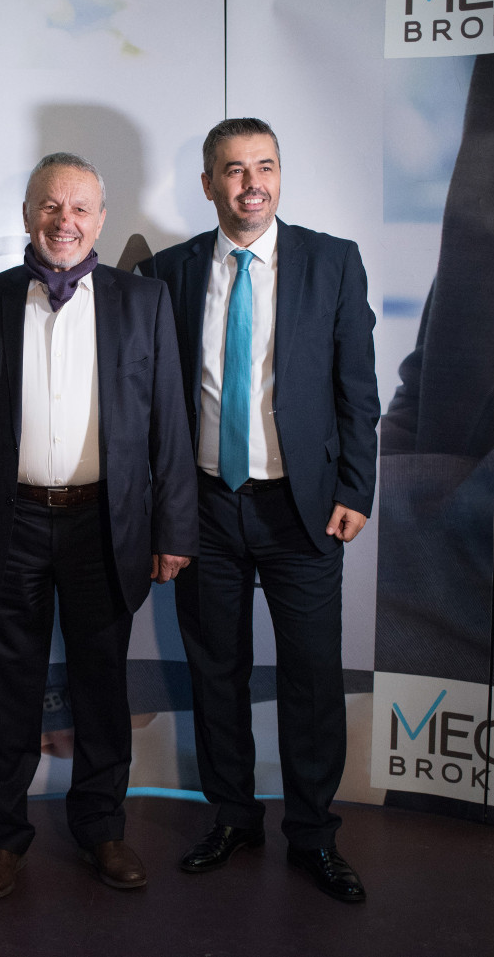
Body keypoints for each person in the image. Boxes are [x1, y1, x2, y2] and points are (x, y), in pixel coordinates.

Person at [0, 152, 197, 900]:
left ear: (101, 219)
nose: (65, 221)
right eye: (50, 206)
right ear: (27, 215)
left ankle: (102, 827)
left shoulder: (142, 301)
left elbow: (169, 424)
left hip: (104, 525)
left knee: (102, 684)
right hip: (8, 521)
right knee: (3, 689)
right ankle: (1, 835)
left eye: (80, 208)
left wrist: (174, 529)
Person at [142, 119, 379, 902]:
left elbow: (358, 388)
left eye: (266, 166)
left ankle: (312, 834)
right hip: (205, 508)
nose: (253, 184)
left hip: (301, 511)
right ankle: (234, 816)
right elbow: (156, 404)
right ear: (209, 183)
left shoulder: (333, 262)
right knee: (217, 672)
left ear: (280, 174)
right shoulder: (170, 273)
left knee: (312, 677)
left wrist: (356, 488)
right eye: (236, 170)